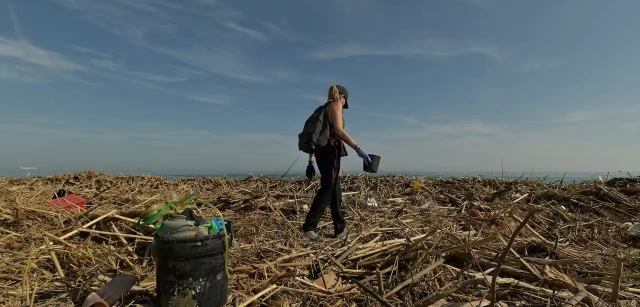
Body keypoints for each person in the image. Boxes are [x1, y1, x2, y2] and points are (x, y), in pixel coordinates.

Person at [302, 84, 372, 241]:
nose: (344, 104)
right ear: (342, 97)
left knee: (335, 190)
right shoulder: (335, 105)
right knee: (328, 189)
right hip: (329, 151)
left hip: (322, 152)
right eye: (345, 100)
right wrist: (357, 148)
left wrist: (311, 161)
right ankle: (309, 227)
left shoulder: (321, 109)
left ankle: (340, 229)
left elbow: (317, 136)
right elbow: (339, 131)